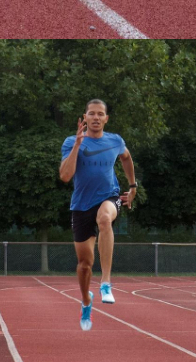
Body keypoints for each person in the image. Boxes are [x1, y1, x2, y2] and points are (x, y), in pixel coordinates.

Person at [58, 99, 137, 331]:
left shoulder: (115, 141)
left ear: (106, 118)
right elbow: (65, 176)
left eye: (100, 114)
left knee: (104, 219)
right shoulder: (71, 142)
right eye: (91, 113)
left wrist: (133, 186)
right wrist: (77, 145)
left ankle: (106, 283)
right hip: (81, 206)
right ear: (84, 117)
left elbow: (126, 157)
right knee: (84, 265)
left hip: (109, 197)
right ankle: (86, 301)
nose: (95, 117)